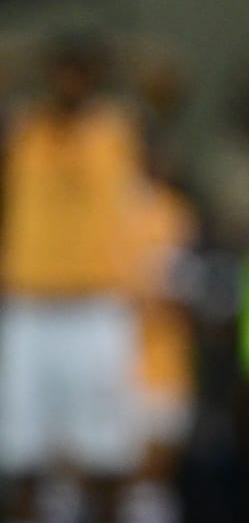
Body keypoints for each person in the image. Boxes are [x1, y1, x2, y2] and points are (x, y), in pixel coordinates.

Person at [0, 33, 146, 523]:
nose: (69, 84)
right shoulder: (23, 132)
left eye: (79, 73)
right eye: (61, 72)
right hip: (31, 307)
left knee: (106, 449)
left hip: (96, 305)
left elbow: (163, 85)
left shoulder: (116, 131)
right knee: (22, 449)